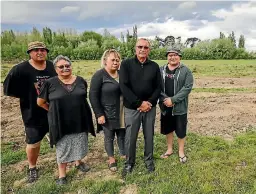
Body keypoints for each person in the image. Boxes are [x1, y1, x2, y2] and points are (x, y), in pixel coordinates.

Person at [37, 55, 96, 185]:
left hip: (79, 119)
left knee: (79, 142)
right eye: (61, 66)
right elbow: (40, 102)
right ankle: (62, 175)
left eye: (67, 66)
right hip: (60, 122)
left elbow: (82, 96)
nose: (65, 68)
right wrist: (53, 110)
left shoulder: (80, 80)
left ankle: (78, 162)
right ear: (56, 69)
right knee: (62, 147)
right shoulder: (50, 83)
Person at [3, 41, 57, 183]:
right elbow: (9, 89)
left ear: (46, 52)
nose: (40, 52)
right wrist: (28, 97)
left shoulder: (52, 66)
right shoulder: (20, 69)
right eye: (35, 50)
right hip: (32, 113)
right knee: (33, 142)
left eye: (43, 50)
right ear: (29, 53)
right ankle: (32, 167)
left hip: (53, 111)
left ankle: (68, 160)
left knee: (61, 137)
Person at [119, 38, 161, 175]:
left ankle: (149, 160)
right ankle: (129, 163)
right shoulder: (126, 64)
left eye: (145, 47)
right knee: (130, 136)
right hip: (132, 108)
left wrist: (149, 102)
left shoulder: (154, 66)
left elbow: (158, 87)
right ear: (135, 48)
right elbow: (123, 86)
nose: (142, 49)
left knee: (149, 135)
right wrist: (138, 103)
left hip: (150, 107)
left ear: (149, 50)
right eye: (140, 47)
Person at [89, 49, 126, 172]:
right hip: (107, 111)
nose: (116, 62)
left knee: (122, 133)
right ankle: (111, 158)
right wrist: (99, 114)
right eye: (113, 60)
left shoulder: (122, 73)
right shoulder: (99, 75)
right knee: (109, 136)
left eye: (117, 60)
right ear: (105, 61)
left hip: (122, 109)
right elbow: (93, 96)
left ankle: (123, 153)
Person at [159, 49, 194, 163]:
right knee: (168, 128)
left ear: (180, 57)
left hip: (180, 107)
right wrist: (165, 99)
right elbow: (156, 86)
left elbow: (187, 88)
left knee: (180, 129)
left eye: (175, 55)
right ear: (167, 57)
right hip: (165, 105)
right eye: (170, 55)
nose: (172, 57)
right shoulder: (161, 70)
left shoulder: (186, 71)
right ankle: (169, 149)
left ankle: (181, 151)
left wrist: (173, 100)